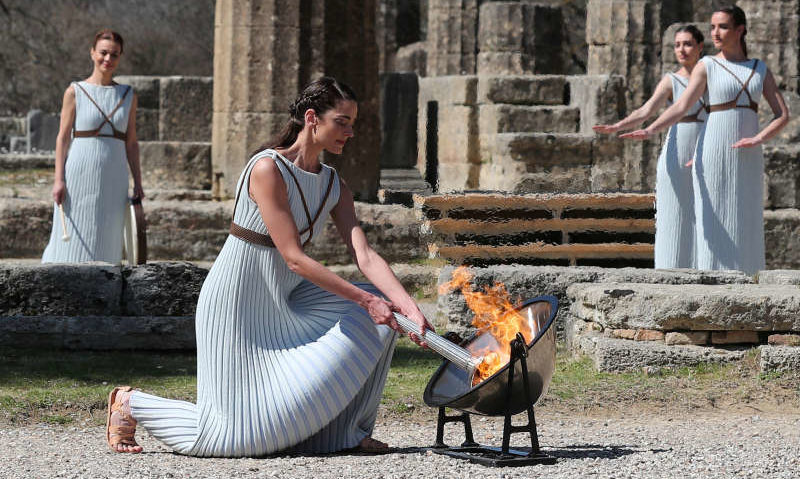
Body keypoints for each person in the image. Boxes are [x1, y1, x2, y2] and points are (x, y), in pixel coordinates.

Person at [105, 77, 434, 456]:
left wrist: (407, 306)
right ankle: (132, 403)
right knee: (232, 438)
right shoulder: (267, 169)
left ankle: (345, 433)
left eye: (352, 123)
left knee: (385, 315)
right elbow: (293, 258)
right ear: (312, 118)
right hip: (237, 302)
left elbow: (365, 255)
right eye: (341, 121)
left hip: (287, 301)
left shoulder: (334, 185)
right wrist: (366, 300)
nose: (350, 131)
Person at [620, 5, 789, 274]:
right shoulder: (707, 65)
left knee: (747, 219)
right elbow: (680, 107)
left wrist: (758, 139)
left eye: (722, 27)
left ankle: (749, 284)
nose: (715, 33)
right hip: (712, 150)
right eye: (712, 27)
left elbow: (782, 115)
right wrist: (651, 129)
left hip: (747, 154)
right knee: (712, 222)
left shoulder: (759, 68)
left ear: (740, 30)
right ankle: (712, 285)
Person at [594, 25, 708, 269]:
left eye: (688, 44)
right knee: (675, 213)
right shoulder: (672, 80)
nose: (682, 50)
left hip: (707, 145)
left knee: (706, 212)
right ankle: (671, 268)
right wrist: (618, 126)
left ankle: (706, 269)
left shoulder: (711, 76)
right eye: (677, 45)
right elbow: (646, 111)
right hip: (677, 149)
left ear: (700, 46)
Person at [42, 29, 143, 264]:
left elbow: (132, 142)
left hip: (114, 174)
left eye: (114, 54)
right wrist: (59, 179)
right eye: (103, 53)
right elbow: (63, 138)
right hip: (79, 172)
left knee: (108, 231)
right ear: (92, 53)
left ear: (120, 57)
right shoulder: (75, 92)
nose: (108, 59)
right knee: (71, 234)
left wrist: (138, 181)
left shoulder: (128, 95)